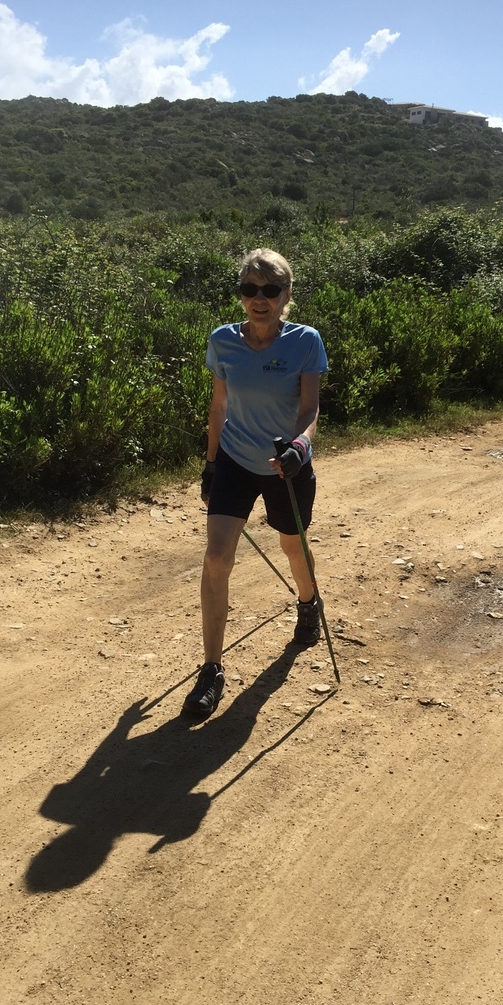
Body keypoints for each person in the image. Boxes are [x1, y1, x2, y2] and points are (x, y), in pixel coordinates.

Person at [183, 248, 329, 721]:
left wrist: (300, 446)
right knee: (216, 558)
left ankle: (307, 602)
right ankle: (211, 669)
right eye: (250, 289)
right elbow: (218, 406)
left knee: (292, 546)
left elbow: (310, 408)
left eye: (270, 290)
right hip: (235, 461)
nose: (259, 298)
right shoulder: (223, 341)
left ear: (286, 295)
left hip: (287, 464)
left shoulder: (305, 341)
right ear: (241, 295)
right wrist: (210, 465)